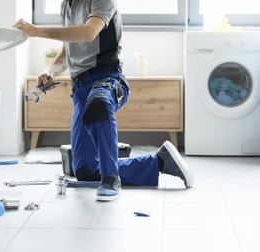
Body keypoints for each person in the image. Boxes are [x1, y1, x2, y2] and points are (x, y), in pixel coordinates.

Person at [14, 0, 194, 201]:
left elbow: (88, 32)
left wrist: (36, 31)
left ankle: (110, 178)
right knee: (85, 170)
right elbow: (68, 49)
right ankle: (160, 162)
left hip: (107, 78)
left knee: (98, 105)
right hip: (80, 87)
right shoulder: (66, 5)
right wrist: (50, 70)